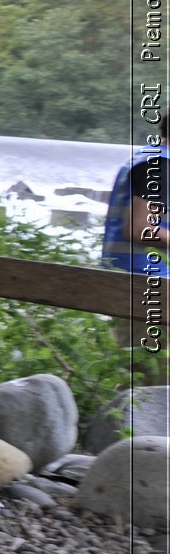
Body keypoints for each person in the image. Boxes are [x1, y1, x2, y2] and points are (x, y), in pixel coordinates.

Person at [101, 119, 168, 383]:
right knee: (148, 383)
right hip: (145, 286)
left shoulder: (147, 157)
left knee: (135, 378)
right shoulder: (161, 166)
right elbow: (139, 227)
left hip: (128, 281)